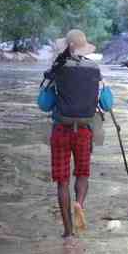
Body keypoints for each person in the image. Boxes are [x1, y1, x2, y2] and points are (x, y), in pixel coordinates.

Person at [42, 29, 103, 238]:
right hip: (85, 131)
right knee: (83, 174)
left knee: (62, 182)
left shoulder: (58, 68)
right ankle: (79, 203)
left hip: (61, 130)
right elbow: (105, 102)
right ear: (84, 47)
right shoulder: (94, 69)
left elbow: (44, 103)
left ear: (66, 46)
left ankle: (68, 231)